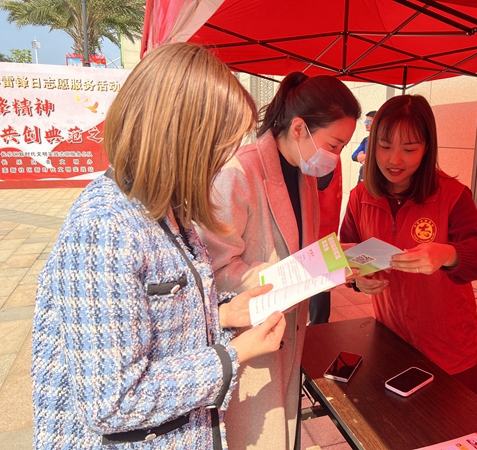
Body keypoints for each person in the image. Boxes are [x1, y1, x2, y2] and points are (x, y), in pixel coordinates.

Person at [30, 43, 287, 450]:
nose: (224, 162)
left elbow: (152, 326)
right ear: (181, 138)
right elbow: (112, 402)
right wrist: (232, 355)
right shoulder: (105, 229)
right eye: (220, 147)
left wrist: (223, 314)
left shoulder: (165, 210)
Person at [198, 72, 361, 449]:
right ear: (300, 128)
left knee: (283, 432)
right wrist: (299, 274)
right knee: (255, 436)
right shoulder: (238, 173)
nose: (335, 157)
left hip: (289, 334)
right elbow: (215, 273)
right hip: (251, 341)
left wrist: (334, 266)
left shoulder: (304, 175)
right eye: (334, 144)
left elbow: (304, 250)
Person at [340, 95, 477, 396]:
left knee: (454, 422)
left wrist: (448, 254)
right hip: (391, 340)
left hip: (449, 347)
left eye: (409, 149)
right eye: (384, 146)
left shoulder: (452, 195)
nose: (394, 160)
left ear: (427, 148)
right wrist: (356, 280)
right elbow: (347, 253)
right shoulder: (360, 197)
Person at [308, 159, 343, 325]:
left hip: (316, 233)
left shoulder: (322, 159)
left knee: (319, 288)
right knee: (322, 286)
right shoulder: (331, 157)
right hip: (326, 232)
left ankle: (317, 327)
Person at [351, 110, 377, 183]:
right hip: (363, 176)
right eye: (365, 122)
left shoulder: (383, 141)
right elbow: (354, 156)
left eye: (368, 122)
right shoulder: (365, 140)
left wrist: (364, 157)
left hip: (375, 178)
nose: (366, 124)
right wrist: (368, 157)